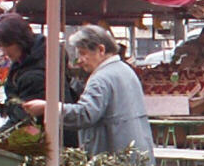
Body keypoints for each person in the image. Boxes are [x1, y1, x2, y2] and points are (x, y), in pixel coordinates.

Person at [24, 26, 153, 156]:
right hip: (137, 152)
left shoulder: (101, 79)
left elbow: (85, 114)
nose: (79, 60)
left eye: (83, 53)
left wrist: (48, 108)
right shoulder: (124, 70)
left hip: (113, 155)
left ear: (101, 50)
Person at [0, 13, 46, 108]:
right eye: (0, 46)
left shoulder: (35, 75)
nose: (4, 51)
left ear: (20, 40)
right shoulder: (22, 62)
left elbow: (23, 114)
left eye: (7, 44)